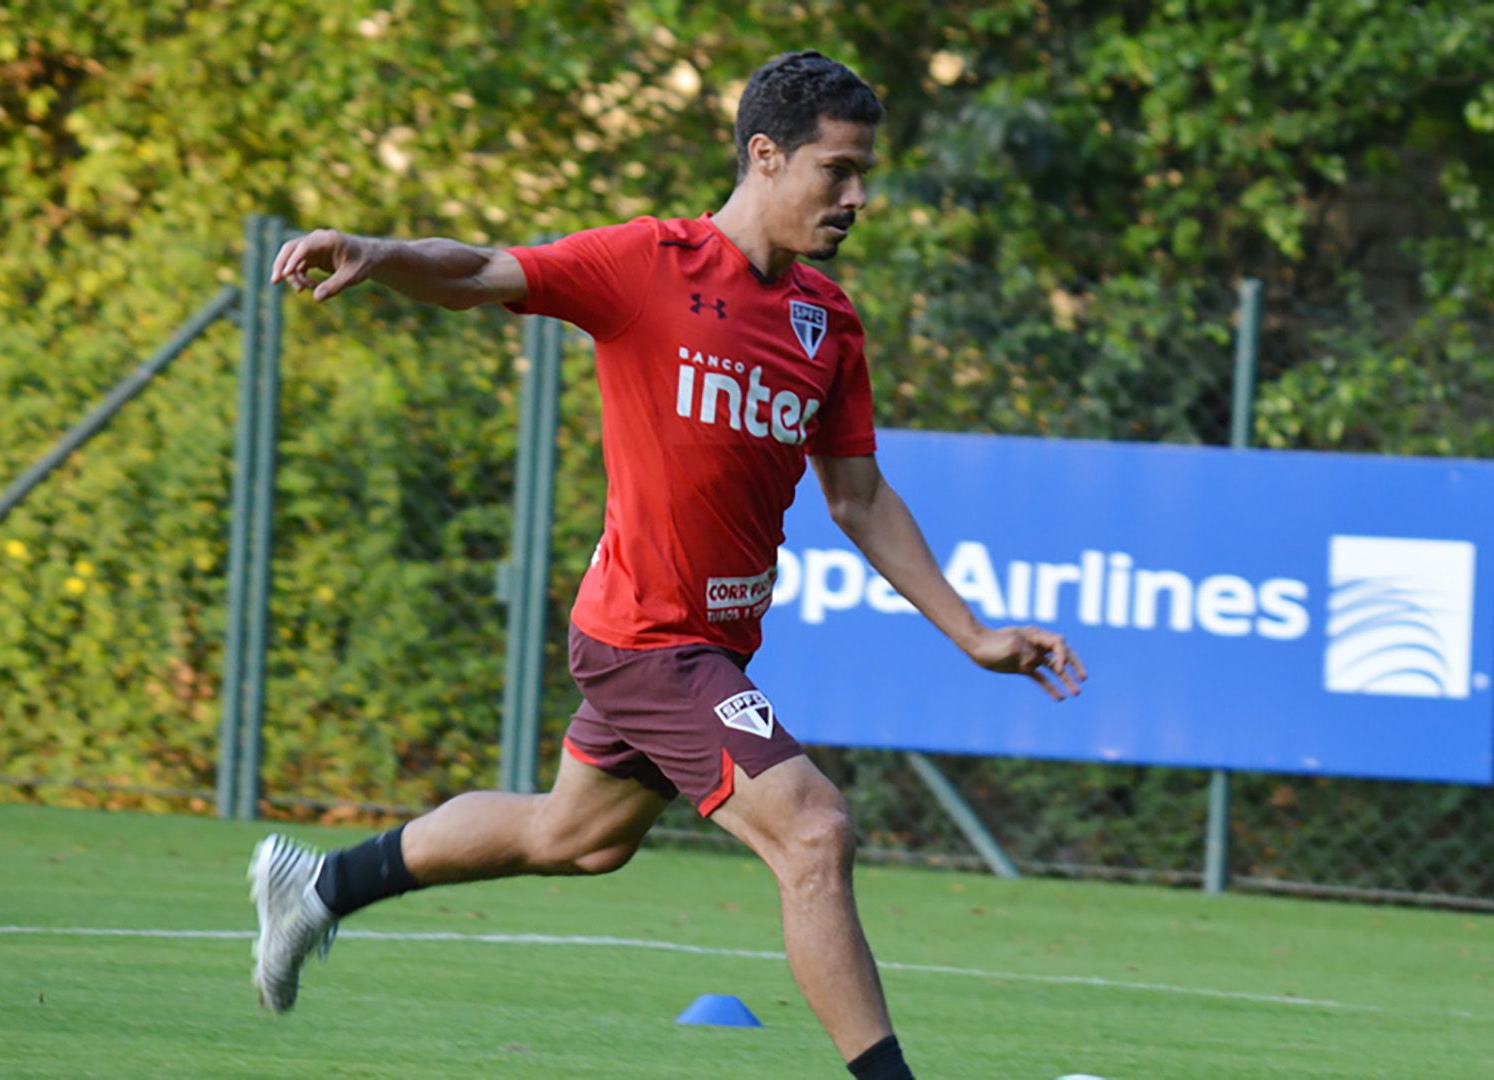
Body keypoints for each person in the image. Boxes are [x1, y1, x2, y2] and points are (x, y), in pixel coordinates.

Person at [249, 49, 1086, 1079]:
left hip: (709, 643)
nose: (858, 196)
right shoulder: (649, 264)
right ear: (765, 157)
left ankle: (318, 888)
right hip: (648, 640)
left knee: (577, 836)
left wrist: (972, 633)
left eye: (865, 172)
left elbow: (858, 498)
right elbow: (476, 270)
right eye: (838, 170)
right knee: (815, 834)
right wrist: (379, 251)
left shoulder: (829, 323)